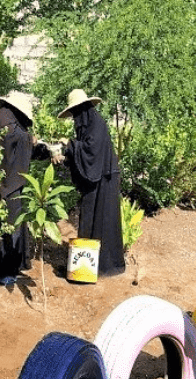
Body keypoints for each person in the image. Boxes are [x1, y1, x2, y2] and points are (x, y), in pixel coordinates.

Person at [0, 92, 51, 286]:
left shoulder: (7, 116)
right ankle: (2, 270)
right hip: (6, 182)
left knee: (13, 221)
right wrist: (31, 140)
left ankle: (12, 265)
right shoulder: (5, 118)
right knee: (10, 223)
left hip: (7, 179)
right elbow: (12, 137)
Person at [57, 89, 126, 277]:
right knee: (90, 218)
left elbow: (90, 151)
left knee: (104, 220)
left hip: (105, 180)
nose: (75, 119)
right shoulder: (89, 125)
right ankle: (89, 264)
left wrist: (70, 144)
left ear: (83, 110)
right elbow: (84, 153)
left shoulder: (96, 125)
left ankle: (106, 266)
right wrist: (68, 152)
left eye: (76, 114)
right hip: (95, 179)